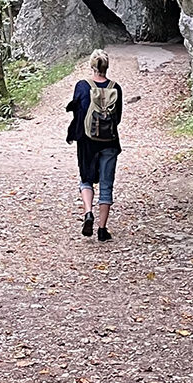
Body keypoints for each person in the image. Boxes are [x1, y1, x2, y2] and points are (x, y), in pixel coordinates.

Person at [66, 48, 123, 241]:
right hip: (110, 141)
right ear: (106, 67)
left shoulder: (82, 86)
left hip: (87, 142)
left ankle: (88, 212)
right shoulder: (116, 87)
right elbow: (119, 118)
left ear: (92, 65)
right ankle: (102, 229)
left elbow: (78, 112)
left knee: (86, 179)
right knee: (106, 185)